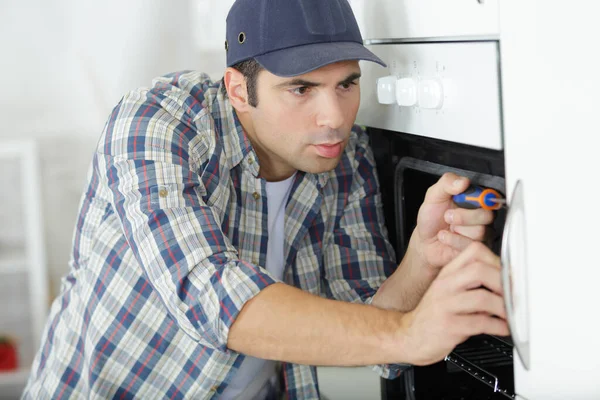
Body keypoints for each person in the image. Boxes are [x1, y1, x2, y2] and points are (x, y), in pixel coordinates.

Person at [23, 0, 508, 398]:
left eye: (347, 83)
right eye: (302, 88)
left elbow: (368, 330)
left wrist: (423, 256)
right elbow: (210, 296)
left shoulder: (347, 157)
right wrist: (408, 334)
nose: (334, 117)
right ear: (238, 89)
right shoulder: (157, 124)